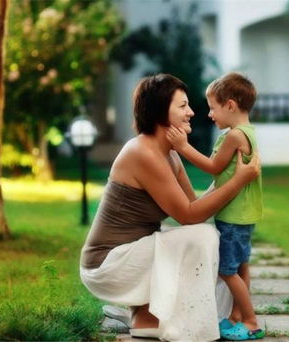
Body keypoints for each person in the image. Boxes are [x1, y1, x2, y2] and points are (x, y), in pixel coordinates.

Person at [79, 74, 260, 341]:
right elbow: (188, 217)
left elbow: (195, 207)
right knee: (203, 237)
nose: (192, 112)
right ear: (159, 112)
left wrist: (232, 178)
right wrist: (238, 181)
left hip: (136, 252)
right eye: (183, 106)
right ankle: (171, 321)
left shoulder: (170, 153)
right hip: (108, 264)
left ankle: (146, 316)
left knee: (218, 245)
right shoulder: (143, 152)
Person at [166, 72, 264, 340]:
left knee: (228, 271)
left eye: (213, 108)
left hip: (233, 216)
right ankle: (236, 316)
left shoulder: (234, 136)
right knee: (242, 267)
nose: (209, 115)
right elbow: (226, 175)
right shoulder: (249, 132)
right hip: (243, 213)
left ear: (230, 105)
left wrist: (183, 147)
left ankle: (251, 322)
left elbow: (213, 167)